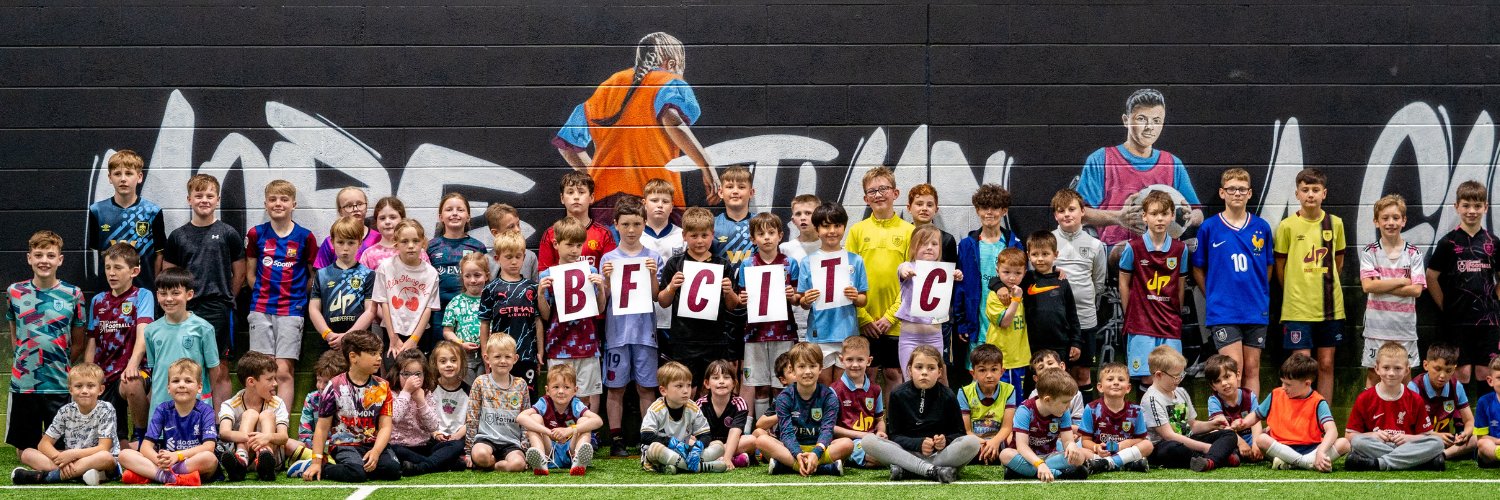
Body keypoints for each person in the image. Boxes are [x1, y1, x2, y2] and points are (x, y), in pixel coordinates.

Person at [554, 31, 719, 224]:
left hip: (605, 204)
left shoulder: (607, 88)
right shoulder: (667, 81)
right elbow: (672, 120)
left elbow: (566, 145)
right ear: (672, 64)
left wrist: (595, 176)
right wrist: (707, 167)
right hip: (655, 199)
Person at [1077, 89, 1203, 248]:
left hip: (1163, 250)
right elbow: (1078, 213)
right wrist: (1118, 218)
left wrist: (1188, 217)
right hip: (1116, 249)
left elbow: (1198, 213)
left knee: (1196, 249)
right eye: (1142, 119)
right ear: (1125, 120)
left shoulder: (1172, 163)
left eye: (1157, 121)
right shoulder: (1101, 159)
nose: (1150, 127)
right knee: (1126, 252)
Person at [162, 173, 244, 406]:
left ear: (217, 200)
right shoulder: (178, 236)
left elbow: (239, 273)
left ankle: (220, 426)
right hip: (186, 311)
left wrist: (226, 298)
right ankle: (188, 422)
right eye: (199, 195)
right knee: (185, 367)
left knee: (219, 367)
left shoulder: (228, 233)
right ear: (189, 199)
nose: (204, 200)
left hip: (219, 309)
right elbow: (169, 277)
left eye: (210, 195)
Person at [1192, 168, 1274, 395]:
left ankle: (1252, 423)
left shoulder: (1261, 227)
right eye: (1231, 189)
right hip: (1224, 310)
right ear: (1222, 193)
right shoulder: (1209, 227)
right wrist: (1212, 294)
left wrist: (1258, 292)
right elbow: (1197, 268)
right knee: (1232, 368)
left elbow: (1267, 266)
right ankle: (1233, 422)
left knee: (1252, 368)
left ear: (1249, 193)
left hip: (1255, 308)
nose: (1236, 193)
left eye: (1241, 189)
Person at [7, 230, 88, 454]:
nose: (44, 260)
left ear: (59, 260)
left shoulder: (73, 294)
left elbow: (79, 343)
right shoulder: (15, 292)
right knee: (24, 451)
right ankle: (57, 471)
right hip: (25, 385)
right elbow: (15, 336)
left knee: (63, 447)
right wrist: (29, 364)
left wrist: (55, 363)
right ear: (29, 258)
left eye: (50, 255)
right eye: (39, 254)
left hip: (59, 384)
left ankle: (51, 469)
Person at [243, 179, 319, 405]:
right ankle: (260, 424)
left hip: (291, 309)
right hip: (261, 307)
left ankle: (280, 426)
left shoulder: (305, 237)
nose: (278, 204)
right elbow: (250, 274)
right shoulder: (256, 234)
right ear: (265, 204)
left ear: (293, 204)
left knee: (284, 370)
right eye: (273, 199)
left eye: (284, 199)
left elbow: (311, 277)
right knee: (262, 370)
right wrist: (264, 293)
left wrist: (295, 296)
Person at [1274, 167, 1346, 400]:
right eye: (1305, 190)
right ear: (1297, 194)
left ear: (1324, 193)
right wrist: (1294, 292)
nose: (1310, 195)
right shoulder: (1287, 226)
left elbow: (1338, 262)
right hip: (1297, 309)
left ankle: (1324, 421)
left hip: (1329, 308)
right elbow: (1280, 267)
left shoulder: (1335, 224)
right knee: (1300, 367)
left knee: (1326, 364)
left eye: (1315, 190)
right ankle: (1299, 422)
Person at [600, 196, 665, 455]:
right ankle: (616, 439)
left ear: (644, 224)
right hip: (616, 332)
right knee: (616, 387)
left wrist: (651, 274)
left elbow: (655, 295)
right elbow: (602, 299)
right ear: (616, 224)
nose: (630, 230)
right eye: (625, 224)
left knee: (646, 386)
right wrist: (603, 281)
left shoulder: (652, 256)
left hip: (645, 332)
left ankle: (647, 437)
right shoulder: (608, 257)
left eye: (637, 224)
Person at [862, 345, 978, 483]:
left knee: (972, 442)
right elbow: (895, 435)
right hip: (907, 452)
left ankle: (909, 470)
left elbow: (959, 433)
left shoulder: (948, 395)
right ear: (910, 370)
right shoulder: (898, 394)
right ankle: (933, 471)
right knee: (868, 441)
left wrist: (944, 441)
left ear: (939, 372)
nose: (924, 372)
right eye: (919, 367)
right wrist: (918, 444)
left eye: (931, 368)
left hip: (939, 454)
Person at [1427, 180, 1500, 393]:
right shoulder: (1448, 243)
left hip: (1488, 322)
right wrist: (1446, 307)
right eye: (1466, 205)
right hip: (1457, 321)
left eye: (1477, 206)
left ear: (1485, 208)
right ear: (1456, 207)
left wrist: (1493, 302)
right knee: (1462, 373)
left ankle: (1485, 424)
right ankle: (1460, 424)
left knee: (1485, 373)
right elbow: (1431, 277)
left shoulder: (1493, 243)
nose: (1471, 211)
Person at [658, 207, 744, 386]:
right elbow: (663, 301)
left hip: (714, 339)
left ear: (712, 235)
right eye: (694, 236)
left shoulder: (722, 264)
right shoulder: (675, 264)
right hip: (683, 339)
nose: (699, 241)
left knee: (712, 386)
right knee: (685, 386)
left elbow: (732, 305)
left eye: (704, 235)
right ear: (684, 236)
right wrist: (671, 287)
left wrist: (729, 291)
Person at [847, 167, 914, 396]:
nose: (878, 195)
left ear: (895, 193)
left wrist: (891, 315)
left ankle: (893, 425)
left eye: (883, 188)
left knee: (895, 373)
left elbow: (913, 283)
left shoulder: (909, 232)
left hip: (895, 320)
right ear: (866, 199)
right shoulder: (857, 231)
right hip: (864, 320)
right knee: (868, 372)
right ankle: (869, 423)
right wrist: (863, 317)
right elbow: (849, 277)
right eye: (872, 191)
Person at [302, 330, 401, 482]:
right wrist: (316, 461)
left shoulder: (383, 386)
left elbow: (386, 427)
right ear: (353, 357)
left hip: (372, 443)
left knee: (393, 470)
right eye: (373, 353)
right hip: (345, 444)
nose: (379, 358)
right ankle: (323, 467)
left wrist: (375, 451)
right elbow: (322, 428)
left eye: (379, 353)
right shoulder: (333, 386)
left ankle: (359, 467)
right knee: (357, 473)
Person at [128, 267, 219, 428]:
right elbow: (156, 369)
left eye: (175, 293)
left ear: (189, 294)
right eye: (163, 293)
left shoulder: (203, 328)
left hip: (195, 403)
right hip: (162, 404)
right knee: (160, 450)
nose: (169, 299)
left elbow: (214, 370)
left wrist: (204, 394)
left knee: (196, 449)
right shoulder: (150, 331)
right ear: (157, 295)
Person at [735, 212, 800, 428]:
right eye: (760, 234)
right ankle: (763, 429)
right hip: (755, 333)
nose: (767, 237)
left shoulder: (790, 264)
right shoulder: (747, 265)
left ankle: (782, 428)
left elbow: (798, 297)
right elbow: (741, 298)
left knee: (781, 383)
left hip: (784, 331)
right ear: (753, 239)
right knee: (760, 384)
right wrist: (741, 299)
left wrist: (794, 295)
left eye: (771, 232)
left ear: (780, 235)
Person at [537, 217, 608, 415]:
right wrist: (541, 294)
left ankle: (584, 433)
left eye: (579, 245)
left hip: (587, 343)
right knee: (559, 394)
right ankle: (561, 431)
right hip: (559, 344)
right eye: (569, 245)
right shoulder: (547, 275)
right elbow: (545, 314)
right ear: (556, 244)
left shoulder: (590, 271)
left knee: (584, 396)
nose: (575, 250)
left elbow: (600, 309)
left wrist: (600, 288)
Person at [1338, 342, 1446, 471]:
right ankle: (1417, 462)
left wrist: (1408, 438)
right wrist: (1373, 435)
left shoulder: (1415, 399)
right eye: (1386, 367)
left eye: (1397, 368)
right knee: (1358, 442)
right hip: (1377, 445)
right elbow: (1350, 436)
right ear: (1377, 368)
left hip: (1406, 446)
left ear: (1407, 370)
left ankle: (1378, 464)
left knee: (1437, 443)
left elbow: (1426, 436)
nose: (1391, 373)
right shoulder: (1365, 398)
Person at [86, 243, 155, 443]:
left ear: (134, 271)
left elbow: (143, 332)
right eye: (108, 267)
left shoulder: (142, 295)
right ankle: (124, 446)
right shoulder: (98, 300)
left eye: (118, 268)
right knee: (117, 444)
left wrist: (133, 363)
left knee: (132, 383)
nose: (112, 273)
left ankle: (142, 437)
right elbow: (92, 339)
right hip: (104, 374)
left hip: (133, 370)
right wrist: (89, 372)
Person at [1118, 190, 1188, 384]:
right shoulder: (1133, 247)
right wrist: (1129, 312)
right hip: (1141, 323)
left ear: (1172, 216)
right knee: (1147, 379)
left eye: (1164, 214)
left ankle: (1168, 416)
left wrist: (1176, 313)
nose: (1159, 219)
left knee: (1171, 379)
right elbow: (1123, 281)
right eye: (1154, 214)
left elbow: (1180, 285)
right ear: (1144, 216)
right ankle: (1145, 416)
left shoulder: (1180, 249)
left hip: (1169, 323)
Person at [795, 202, 869, 383]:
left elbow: (863, 299)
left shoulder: (855, 260)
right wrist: (807, 299)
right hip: (820, 333)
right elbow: (802, 301)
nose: (832, 231)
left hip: (847, 333)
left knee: (843, 387)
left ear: (844, 227)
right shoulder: (808, 261)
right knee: (823, 387)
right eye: (826, 226)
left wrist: (855, 297)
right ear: (817, 228)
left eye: (837, 225)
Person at [9, 362, 118, 486]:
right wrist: (61, 459)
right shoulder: (65, 411)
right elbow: (44, 444)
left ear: (100, 389)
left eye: (90, 386)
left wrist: (72, 454)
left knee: (105, 457)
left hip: (96, 460)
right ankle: (81, 475)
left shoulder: (106, 409)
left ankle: (49, 477)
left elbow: (104, 448)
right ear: (70, 390)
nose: (84, 391)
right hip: (70, 460)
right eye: (78, 386)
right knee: (28, 453)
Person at [1358, 194, 1425, 388]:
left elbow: (1416, 290)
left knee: (1404, 374)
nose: (1390, 223)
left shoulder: (1413, 253)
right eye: (1385, 218)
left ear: (1403, 220)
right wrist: (1401, 280)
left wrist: (1383, 284)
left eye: (1396, 218)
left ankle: (1406, 418)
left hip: (1404, 329)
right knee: (1374, 373)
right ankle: (1371, 418)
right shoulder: (1369, 252)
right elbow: (1368, 286)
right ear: (1376, 222)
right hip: (1376, 328)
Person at [118, 359, 219, 486]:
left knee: (209, 459)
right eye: (176, 381)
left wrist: (177, 456)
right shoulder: (162, 409)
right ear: (168, 388)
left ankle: (154, 475)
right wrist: (161, 462)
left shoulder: (206, 411)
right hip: (167, 461)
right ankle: (170, 477)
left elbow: (209, 447)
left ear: (199, 387)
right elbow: (145, 447)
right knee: (124, 454)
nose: (181, 385)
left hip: (189, 461)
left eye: (188, 381)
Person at [956, 184, 1024, 371]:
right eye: (985, 208)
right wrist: (961, 322)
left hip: (1005, 322)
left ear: (1003, 211)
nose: (989, 212)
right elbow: (960, 287)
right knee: (978, 372)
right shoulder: (967, 245)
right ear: (978, 210)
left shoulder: (1014, 244)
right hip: (977, 322)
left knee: (1002, 373)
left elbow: (1024, 278)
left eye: (995, 208)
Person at [1141, 345, 1241, 472]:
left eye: (1181, 375)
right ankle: (1220, 456)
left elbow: (1192, 426)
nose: (1179, 380)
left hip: (1189, 440)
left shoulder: (1181, 392)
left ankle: (1210, 461)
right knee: (1172, 448)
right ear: (1159, 375)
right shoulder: (1151, 399)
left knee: (1229, 434)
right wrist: (1206, 447)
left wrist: (1211, 425)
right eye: (1176, 376)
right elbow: (1168, 436)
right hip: (1164, 446)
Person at [758, 342, 852, 476]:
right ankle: (824, 468)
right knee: (761, 440)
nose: (807, 371)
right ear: (792, 369)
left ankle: (787, 466)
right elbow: (786, 433)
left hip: (819, 446)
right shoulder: (784, 397)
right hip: (790, 448)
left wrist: (816, 452)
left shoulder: (829, 396)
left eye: (812, 366)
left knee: (847, 444)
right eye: (801, 366)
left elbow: (827, 430)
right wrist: (797, 454)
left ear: (820, 368)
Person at [1244, 354, 1341, 472]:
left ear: (1307, 383)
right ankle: (1307, 463)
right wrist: (1243, 423)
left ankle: (1292, 463)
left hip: (1311, 449)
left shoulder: (1318, 402)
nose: (1283, 387)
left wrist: (1321, 451)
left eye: (1288, 384)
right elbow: (1256, 415)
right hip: (1281, 447)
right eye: (1282, 382)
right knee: (1261, 439)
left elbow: (1332, 430)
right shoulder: (1276, 394)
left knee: (1344, 443)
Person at [1050, 188, 1107, 391]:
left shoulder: (1095, 245)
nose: (1067, 214)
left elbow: (1098, 282)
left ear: (1083, 211)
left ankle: (1083, 422)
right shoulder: (1047, 241)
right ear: (1055, 215)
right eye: (1061, 210)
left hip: (1085, 319)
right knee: (1057, 373)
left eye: (1072, 209)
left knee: (1083, 374)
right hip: (1056, 321)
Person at [86, 149, 166, 291]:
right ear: (110, 178)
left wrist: (155, 285)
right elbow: (98, 252)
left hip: (144, 290)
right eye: (117, 174)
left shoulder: (152, 211)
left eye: (129, 173)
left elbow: (159, 254)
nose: (123, 179)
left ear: (139, 177)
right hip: (108, 292)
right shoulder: (97, 211)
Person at [478, 231, 544, 390]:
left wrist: (540, 351)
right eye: (508, 257)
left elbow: (538, 321)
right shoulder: (491, 289)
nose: (514, 262)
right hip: (501, 357)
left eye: (518, 256)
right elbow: (485, 323)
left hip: (527, 354)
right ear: (497, 258)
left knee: (527, 400)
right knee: (502, 398)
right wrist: (485, 353)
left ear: (524, 257)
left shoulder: (532, 287)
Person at [892, 225, 960, 378]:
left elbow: (956, 274)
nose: (929, 248)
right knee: (910, 380)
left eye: (934, 244)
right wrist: (905, 272)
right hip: (910, 338)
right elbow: (902, 270)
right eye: (923, 243)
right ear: (913, 247)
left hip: (935, 337)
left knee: (932, 381)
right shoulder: (908, 266)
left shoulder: (943, 271)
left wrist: (956, 274)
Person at [1000, 368, 1088, 482]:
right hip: (1025, 457)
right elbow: (1022, 446)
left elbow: (1067, 441)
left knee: (1080, 457)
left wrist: (1071, 445)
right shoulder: (1025, 410)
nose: (1069, 406)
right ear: (1047, 400)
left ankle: (1021, 472)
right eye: (1065, 402)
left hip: (1050, 455)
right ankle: (1059, 474)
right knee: (1005, 455)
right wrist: (1039, 464)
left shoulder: (1063, 412)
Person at [640, 361, 728, 474]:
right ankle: (701, 467)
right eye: (679, 386)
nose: (686, 391)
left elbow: (705, 435)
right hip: (660, 452)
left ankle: (678, 466)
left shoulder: (692, 408)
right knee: (655, 448)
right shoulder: (656, 409)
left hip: (684, 452)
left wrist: (698, 447)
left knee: (719, 446)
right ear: (663, 390)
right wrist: (672, 442)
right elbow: (646, 436)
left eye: (689, 385)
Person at [215, 352, 288, 482]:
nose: (275, 383)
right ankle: (241, 460)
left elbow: (284, 437)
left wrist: (266, 437)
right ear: (251, 381)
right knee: (250, 414)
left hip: (273, 458)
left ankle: (266, 459)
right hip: (246, 456)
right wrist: (251, 437)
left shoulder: (277, 403)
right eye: (270, 379)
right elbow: (223, 433)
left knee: (267, 415)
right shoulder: (230, 404)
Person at [520, 363, 604, 476]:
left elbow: (598, 421)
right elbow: (521, 417)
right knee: (534, 418)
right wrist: (548, 432)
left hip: (571, 450)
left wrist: (570, 430)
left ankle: (579, 461)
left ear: (575, 390)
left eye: (566, 387)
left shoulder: (576, 404)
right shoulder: (544, 403)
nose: (561, 391)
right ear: (547, 390)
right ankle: (540, 458)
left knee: (584, 421)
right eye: (556, 387)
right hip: (549, 451)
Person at [310, 216, 377, 355]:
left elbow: (370, 311)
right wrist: (327, 334)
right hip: (330, 341)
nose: (345, 248)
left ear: (359, 243)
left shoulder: (368, 274)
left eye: (351, 243)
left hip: (359, 342)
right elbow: (314, 308)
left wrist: (348, 337)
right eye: (340, 242)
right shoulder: (322, 274)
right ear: (332, 242)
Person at [464, 333, 531, 473]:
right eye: (497, 356)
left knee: (518, 464)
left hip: (512, 443)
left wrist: (525, 449)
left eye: (507, 357)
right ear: (487, 358)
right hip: (485, 439)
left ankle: (495, 466)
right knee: (480, 455)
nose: (503, 361)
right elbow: (472, 417)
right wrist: (469, 450)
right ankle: (487, 461)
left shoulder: (521, 384)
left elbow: (526, 420)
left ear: (515, 358)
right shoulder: (480, 382)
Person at [387, 349, 459, 477]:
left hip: (424, 445)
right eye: (406, 374)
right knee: (394, 450)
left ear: (424, 375)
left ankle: (422, 467)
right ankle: (443, 464)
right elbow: (395, 417)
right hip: (399, 446)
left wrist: (421, 401)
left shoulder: (425, 393)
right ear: (397, 374)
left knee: (456, 444)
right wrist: (406, 392)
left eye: (418, 374)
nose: (412, 379)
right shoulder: (391, 393)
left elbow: (433, 426)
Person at [428, 192, 487, 339]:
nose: (454, 213)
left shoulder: (478, 247)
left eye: (460, 210)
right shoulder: (431, 247)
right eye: (449, 209)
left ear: (468, 216)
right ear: (440, 216)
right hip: (438, 312)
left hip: (469, 311)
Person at [1022, 231, 1082, 372]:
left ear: (1055, 254)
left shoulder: (1062, 281)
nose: (1040, 259)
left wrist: (1076, 342)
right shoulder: (1025, 279)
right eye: (1035, 254)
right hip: (1032, 346)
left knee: (1059, 384)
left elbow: (1072, 315)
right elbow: (1002, 277)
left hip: (1060, 345)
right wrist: (997, 286)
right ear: (1028, 255)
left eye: (1045, 254)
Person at [1077, 362, 1153, 473]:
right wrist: (1096, 447)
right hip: (1099, 454)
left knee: (1148, 445)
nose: (1116, 383)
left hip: (1125, 452)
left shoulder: (1136, 410)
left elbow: (1141, 439)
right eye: (1110, 379)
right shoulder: (1091, 408)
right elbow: (1085, 441)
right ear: (1100, 387)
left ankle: (1107, 464)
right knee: (1079, 451)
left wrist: (1128, 443)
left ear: (1128, 388)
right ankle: (1125, 465)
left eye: (1121, 380)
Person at [538, 171, 618, 272]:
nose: (576, 197)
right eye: (570, 192)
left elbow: (610, 274)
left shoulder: (604, 234)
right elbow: (543, 274)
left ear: (591, 197)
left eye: (581, 192)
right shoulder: (551, 234)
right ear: (562, 198)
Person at [1408, 344, 1477, 459]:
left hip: (1446, 439)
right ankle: (1442, 454)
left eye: (1448, 370)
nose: (1442, 376)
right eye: (1437, 369)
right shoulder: (1414, 387)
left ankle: (1442, 456)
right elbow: (1410, 426)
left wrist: (1465, 434)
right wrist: (1435, 435)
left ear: (1454, 369)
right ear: (1426, 365)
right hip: (1422, 438)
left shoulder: (1456, 386)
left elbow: (1470, 421)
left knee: (1475, 439)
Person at [413, 340, 470, 474]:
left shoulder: (469, 391)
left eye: (453, 360)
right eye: (443, 361)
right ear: (435, 364)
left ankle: (426, 465)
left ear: (461, 362)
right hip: (434, 440)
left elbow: (472, 420)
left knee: (456, 446)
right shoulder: (429, 389)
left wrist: (457, 435)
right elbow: (422, 416)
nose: (449, 365)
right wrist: (435, 433)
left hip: (458, 441)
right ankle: (448, 462)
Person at [287, 350, 348, 470]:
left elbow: (346, 436)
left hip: (341, 447)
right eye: (318, 380)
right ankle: (321, 462)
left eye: (326, 382)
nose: (320, 386)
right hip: (315, 448)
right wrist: (317, 447)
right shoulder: (312, 398)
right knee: (288, 443)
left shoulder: (346, 400)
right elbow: (304, 434)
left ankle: (321, 464)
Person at [832, 336, 886, 469]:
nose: (855, 365)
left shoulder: (876, 389)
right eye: (850, 359)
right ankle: (847, 456)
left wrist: (880, 432)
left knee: (894, 451)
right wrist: (861, 435)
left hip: (871, 440)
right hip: (847, 441)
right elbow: (831, 427)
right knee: (882, 458)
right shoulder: (833, 391)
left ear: (869, 361)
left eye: (860, 360)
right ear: (841, 360)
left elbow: (879, 419)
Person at [984, 248, 1031, 394]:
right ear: (998, 271)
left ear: (1024, 272)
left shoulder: (1024, 290)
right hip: (1003, 359)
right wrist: (1016, 300)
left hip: (1021, 358)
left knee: (1018, 401)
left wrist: (1057, 270)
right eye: (1006, 272)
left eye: (1017, 273)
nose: (1012, 278)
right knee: (1004, 401)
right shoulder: (995, 296)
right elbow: (1005, 322)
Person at [958, 344, 1015, 465]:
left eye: (994, 369)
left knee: (1013, 438)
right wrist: (984, 444)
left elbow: (1007, 427)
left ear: (1002, 371)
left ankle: (988, 456)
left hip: (999, 440)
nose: (989, 375)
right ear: (973, 373)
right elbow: (966, 430)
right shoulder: (964, 392)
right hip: (975, 441)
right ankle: (989, 455)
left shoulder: (1009, 390)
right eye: (982, 370)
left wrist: (994, 442)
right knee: (959, 442)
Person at [696, 360, 758, 469]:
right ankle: (736, 460)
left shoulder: (739, 403)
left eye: (726, 377)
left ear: (734, 383)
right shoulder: (700, 405)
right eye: (715, 378)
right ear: (707, 383)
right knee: (689, 440)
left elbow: (735, 432)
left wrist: (727, 458)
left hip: (733, 445)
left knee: (751, 440)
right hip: (708, 444)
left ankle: (715, 458)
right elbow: (695, 434)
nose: (721, 381)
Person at [1204, 355, 1263, 462]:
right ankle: (1233, 456)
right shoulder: (1214, 401)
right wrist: (1241, 443)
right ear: (1213, 386)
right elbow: (1223, 427)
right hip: (1230, 442)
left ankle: (1260, 453)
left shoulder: (1249, 396)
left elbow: (1256, 423)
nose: (1224, 383)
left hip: (1250, 439)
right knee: (1214, 437)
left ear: (1238, 375)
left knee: (1269, 435)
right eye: (1218, 381)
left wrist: (1255, 443)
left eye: (1227, 377)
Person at [441, 253, 489, 378]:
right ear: (462, 277)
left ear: (486, 275)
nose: (473, 280)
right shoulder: (456, 302)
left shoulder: (492, 300)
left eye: (477, 275)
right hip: (463, 357)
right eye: (468, 276)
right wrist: (460, 343)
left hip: (489, 355)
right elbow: (447, 331)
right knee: (467, 391)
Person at [313, 186, 381, 269]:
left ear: (366, 207)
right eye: (349, 206)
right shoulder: (331, 242)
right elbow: (320, 275)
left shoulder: (378, 238)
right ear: (340, 211)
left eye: (360, 204)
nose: (356, 209)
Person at [359, 197, 428, 270]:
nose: (387, 222)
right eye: (382, 218)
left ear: (402, 220)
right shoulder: (369, 254)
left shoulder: (416, 251)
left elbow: (428, 276)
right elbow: (362, 279)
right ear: (376, 222)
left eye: (393, 217)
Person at [482, 203, 538, 280]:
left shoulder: (530, 257)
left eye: (518, 224)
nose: (518, 229)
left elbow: (535, 287)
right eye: (511, 226)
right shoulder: (486, 261)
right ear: (496, 233)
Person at [1474, 357, 1500, 467]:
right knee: (1483, 444)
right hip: (1492, 449)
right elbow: (1481, 438)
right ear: (1490, 381)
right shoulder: (1484, 402)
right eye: (1499, 378)